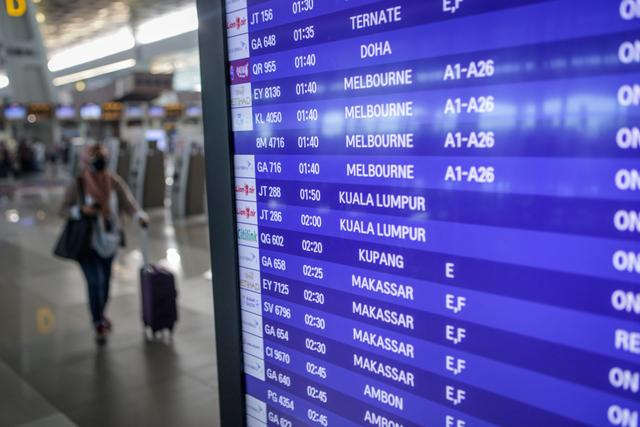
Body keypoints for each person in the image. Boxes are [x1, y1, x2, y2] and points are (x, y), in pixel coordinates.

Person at [59, 143, 149, 343]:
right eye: (95, 158)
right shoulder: (79, 183)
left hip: (110, 241)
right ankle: (97, 321)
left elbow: (128, 203)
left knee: (106, 282)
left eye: (102, 157)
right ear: (86, 161)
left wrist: (140, 216)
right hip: (88, 244)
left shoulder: (113, 181)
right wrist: (82, 210)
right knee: (95, 282)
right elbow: (63, 209)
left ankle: (101, 314)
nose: (100, 162)